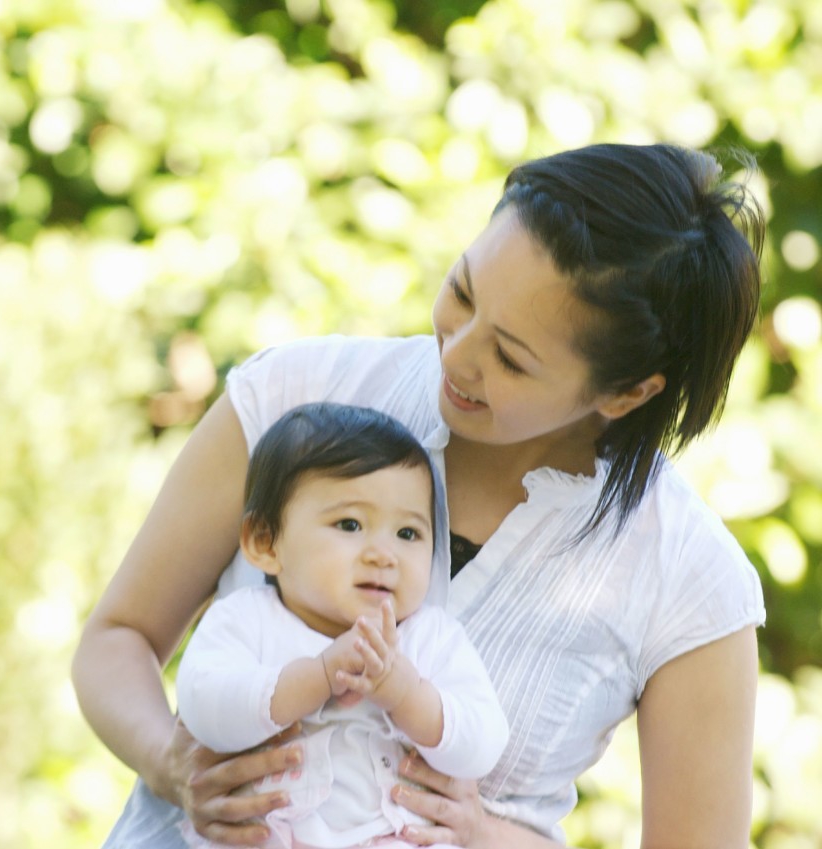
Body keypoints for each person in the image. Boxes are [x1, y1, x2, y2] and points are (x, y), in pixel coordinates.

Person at [73, 143, 765, 848]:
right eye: (462, 292)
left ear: (625, 393)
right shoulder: (294, 393)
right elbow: (117, 638)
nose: (456, 354)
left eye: (509, 358)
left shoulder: (690, 579)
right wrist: (172, 763)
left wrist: (482, 833)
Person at [176, 402, 508, 849]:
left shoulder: (430, 637)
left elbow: (483, 744)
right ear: (265, 542)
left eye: (407, 533)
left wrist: (405, 693)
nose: (383, 555)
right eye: (350, 524)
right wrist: (319, 676)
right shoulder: (247, 620)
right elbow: (204, 707)